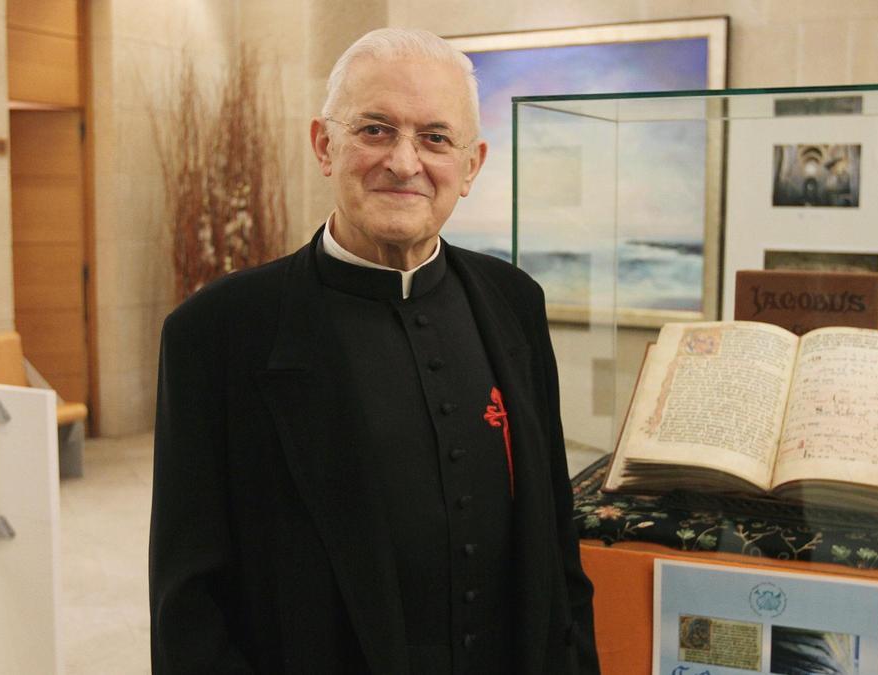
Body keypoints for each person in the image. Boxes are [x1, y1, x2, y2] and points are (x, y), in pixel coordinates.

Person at [149, 27, 599, 675]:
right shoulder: (217, 331)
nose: (405, 162)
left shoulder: (515, 302)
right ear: (324, 146)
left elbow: (556, 545)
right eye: (375, 130)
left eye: (435, 138)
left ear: (471, 166)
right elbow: (188, 609)